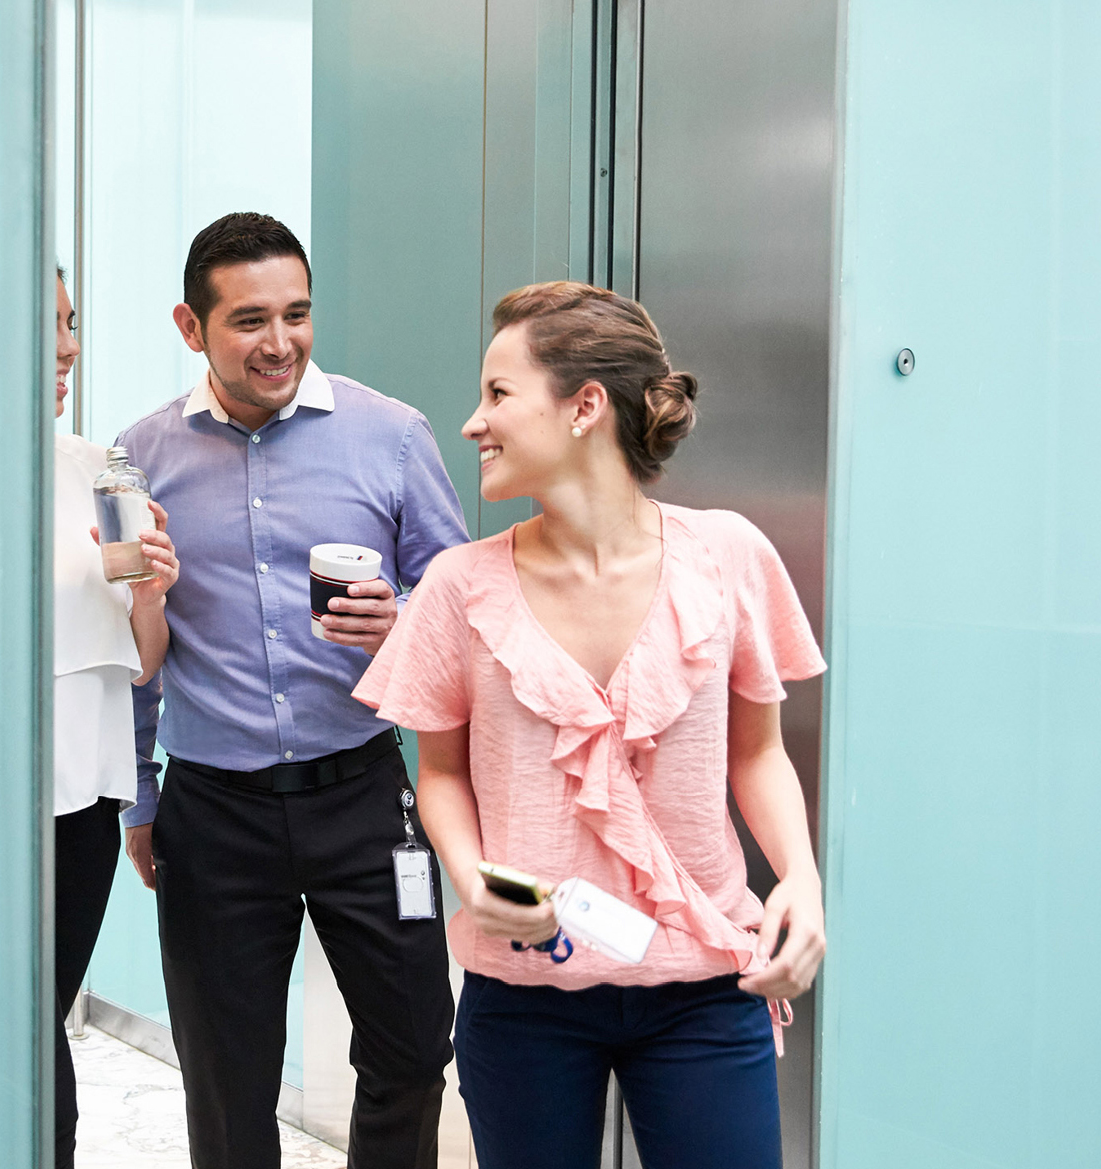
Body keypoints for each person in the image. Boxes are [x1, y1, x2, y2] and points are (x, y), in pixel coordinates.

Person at [353, 282, 827, 1169]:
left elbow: (755, 751)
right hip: (525, 990)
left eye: (497, 394)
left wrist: (799, 877)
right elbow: (442, 772)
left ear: (584, 407)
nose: (472, 423)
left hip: (706, 982)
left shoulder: (729, 554)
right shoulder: (459, 586)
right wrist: (471, 876)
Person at [117, 213, 470, 1169]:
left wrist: (400, 618)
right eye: (248, 321)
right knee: (225, 1077)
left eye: (297, 314)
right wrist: (141, 799)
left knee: (410, 1046)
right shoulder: (139, 455)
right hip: (212, 811)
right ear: (192, 328)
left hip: (364, 796)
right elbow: (131, 645)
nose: (279, 342)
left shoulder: (391, 435)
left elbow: (466, 604)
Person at [51, 266, 180, 1169]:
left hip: (82, 798)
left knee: (39, 1012)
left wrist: (151, 589)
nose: (70, 347)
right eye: (49, 326)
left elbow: (145, 656)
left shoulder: (96, 467)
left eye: (72, 322)